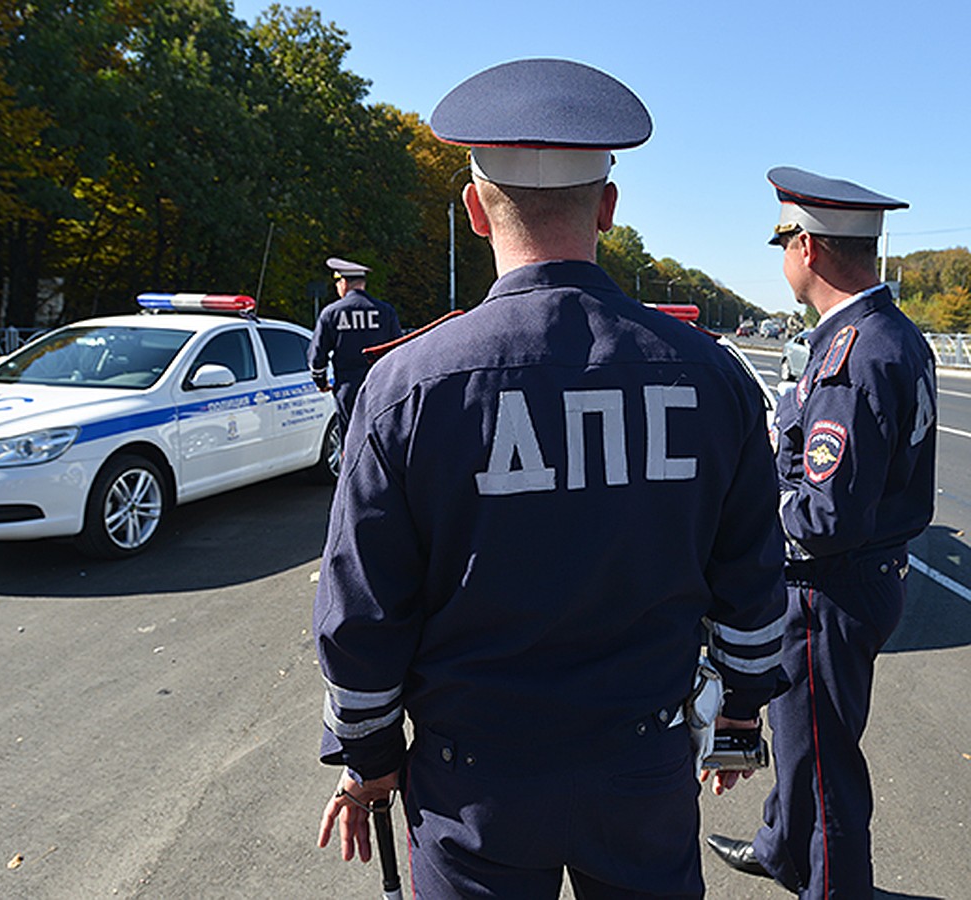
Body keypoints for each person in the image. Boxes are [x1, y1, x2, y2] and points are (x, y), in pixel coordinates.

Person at [312, 58, 788, 899]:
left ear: (473, 211)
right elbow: (751, 582)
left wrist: (369, 759)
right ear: (607, 207)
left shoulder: (407, 386)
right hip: (643, 765)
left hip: (473, 787)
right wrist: (743, 715)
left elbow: (363, 612)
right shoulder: (711, 376)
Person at [706, 168, 937, 898]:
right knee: (803, 741)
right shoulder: (883, 334)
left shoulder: (854, 350)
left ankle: (836, 886)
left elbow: (826, 515)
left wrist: (747, 509)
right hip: (853, 580)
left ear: (806, 246)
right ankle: (782, 848)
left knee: (824, 759)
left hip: (827, 588)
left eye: (784, 242)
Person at [307, 257, 403, 446]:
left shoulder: (332, 312)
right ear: (362, 283)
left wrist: (321, 381)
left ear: (343, 283)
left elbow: (317, 356)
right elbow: (397, 350)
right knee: (381, 439)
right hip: (380, 386)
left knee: (351, 442)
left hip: (348, 388)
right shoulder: (385, 311)